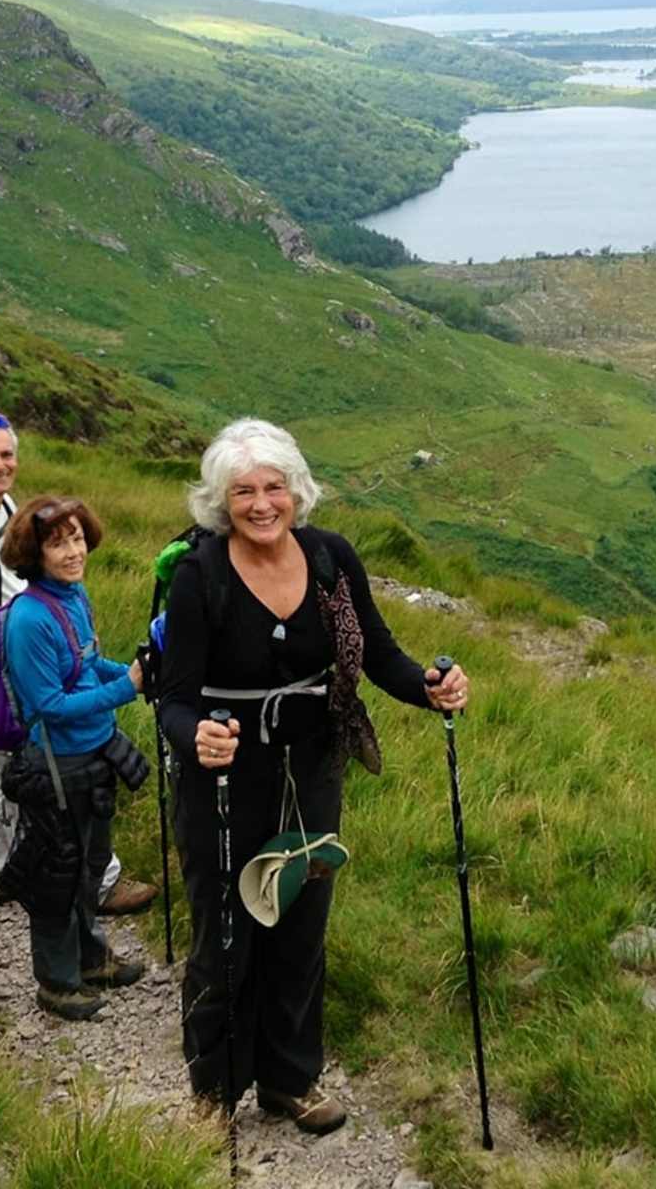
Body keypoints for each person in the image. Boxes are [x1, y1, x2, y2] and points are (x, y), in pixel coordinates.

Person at [158, 419, 471, 1135]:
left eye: (274, 488)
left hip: (314, 766)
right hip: (227, 776)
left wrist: (429, 687)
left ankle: (290, 1081)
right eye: (244, 491)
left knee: (300, 925)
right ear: (220, 501)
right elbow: (174, 697)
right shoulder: (198, 576)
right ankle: (213, 1091)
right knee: (226, 931)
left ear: (297, 492)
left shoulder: (331, 558)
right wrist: (194, 736)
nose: (261, 504)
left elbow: (380, 654)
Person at [0, 410, 153, 914]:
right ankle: (94, 882)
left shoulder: (10, 508)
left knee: (7, 768)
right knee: (40, 767)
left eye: (7, 454)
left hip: (15, 660)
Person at [0, 495, 147, 1020]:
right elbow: (49, 705)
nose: (72, 550)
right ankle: (57, 984)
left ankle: (89, 958)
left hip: (97, 754)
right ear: (33, 554)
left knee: (89, 868)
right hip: (56, 765)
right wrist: (126, 688)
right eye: (57, 542)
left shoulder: (74, 596)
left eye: (77, 537)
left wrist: (128, 670)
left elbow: (85, 666)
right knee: (57, 876)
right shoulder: (29, 619)